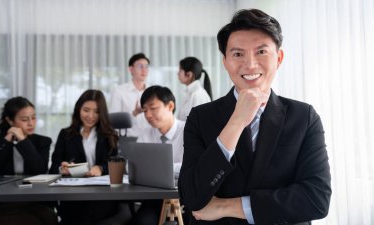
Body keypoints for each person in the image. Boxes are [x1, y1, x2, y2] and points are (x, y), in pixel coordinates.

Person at [178, 8, 331, 225]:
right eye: (238, 54)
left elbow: (317, 200)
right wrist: (237, 121)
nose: (250, 64)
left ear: (278, 58)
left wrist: (227, 206)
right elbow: (191, 196)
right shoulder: (201, 117)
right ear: (225, 61)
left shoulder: (304, 117)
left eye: (261, 52)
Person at [49, 89, 119, 225]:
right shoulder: (65, 134)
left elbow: (115, 164)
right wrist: (61, 169)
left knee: (87, 214)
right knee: (77, 213)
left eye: (96, 112)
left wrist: (100, 168)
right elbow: (53, 167)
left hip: (102, 196)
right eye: (86, 110)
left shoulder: (109, 135)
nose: (90, 116)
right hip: (73, 195)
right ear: (78, 109)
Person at [0, 97, 58, 225]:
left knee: (49, 217)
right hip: (5, 202)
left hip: (35, 199)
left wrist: (23, 140)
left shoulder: (43, 141)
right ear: (10, 120)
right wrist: (7, 140)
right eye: (24, 119)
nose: (31, 123)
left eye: (33, 118)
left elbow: (40, 169)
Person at [128, 85, 185, 225]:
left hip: (185, 198)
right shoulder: (145, 134)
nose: (147, 115)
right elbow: (132, 168)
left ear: (170, 106)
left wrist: (157, 170)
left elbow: (191, 167)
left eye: (153, 108)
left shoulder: (188, 131)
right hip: (154, 199)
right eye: (145, 110)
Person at [109, 52, 151, 137]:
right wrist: (134, 113)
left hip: (151, 139)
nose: (144, 70)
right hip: (128, 140)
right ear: (131, 69)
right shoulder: (119, 91)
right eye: (140, 66)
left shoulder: (152, 92)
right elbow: (113, 122)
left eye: (146, 66)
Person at [177, 56, 212, 121]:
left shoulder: (198, 94)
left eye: (180, 70)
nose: (178, 73)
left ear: (189, 74)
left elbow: (198, 123)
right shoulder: (191, 92)